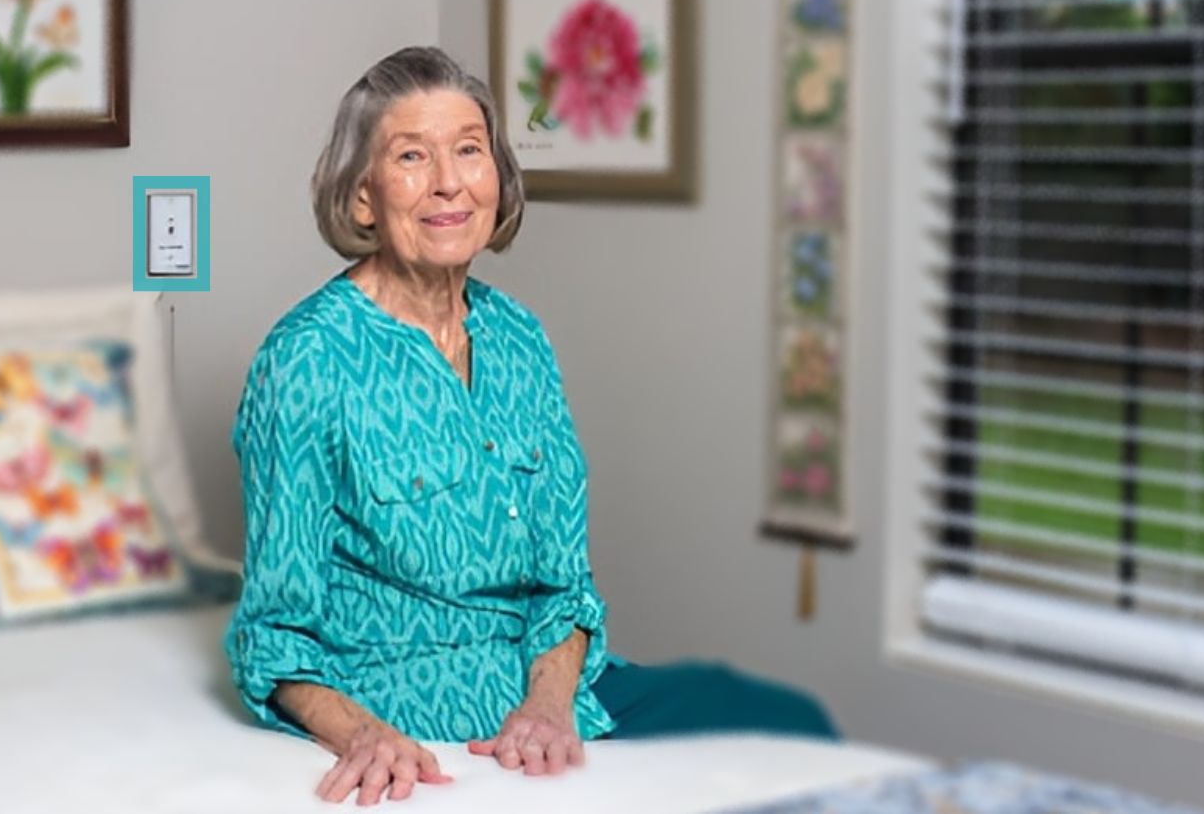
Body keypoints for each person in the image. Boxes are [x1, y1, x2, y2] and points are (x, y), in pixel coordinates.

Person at [224, 46, 837, 806]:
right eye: (411, 156)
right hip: (422, 714)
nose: (448, 181)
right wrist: (363, 736)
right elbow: (275, 635)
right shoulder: (306, 360)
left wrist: (547, 709)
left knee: (789, 723)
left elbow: (565, 586)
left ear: (497, 177)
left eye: (469, 151)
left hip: (558, 697)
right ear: (361, 198)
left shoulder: (520, 338)